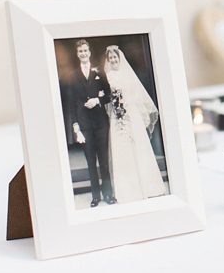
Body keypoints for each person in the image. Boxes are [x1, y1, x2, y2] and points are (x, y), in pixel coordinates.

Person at [103, 45, 166, 203]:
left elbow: (136, 94)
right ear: (108, 60)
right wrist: (115, 106)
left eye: (115, 57)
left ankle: (149, 187)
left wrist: (125, 103)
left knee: (138, 147)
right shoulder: (107, 77)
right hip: (116, 117)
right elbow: (105, 97)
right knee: (122, 150)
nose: (113, 60)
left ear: (119, 58)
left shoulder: (127, 74)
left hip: (131, 114)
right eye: (110, 58)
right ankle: (127, 191)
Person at [67, 40, 115, 207]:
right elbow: (72, 103)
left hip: (100, 122)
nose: (83, 53)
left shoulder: (98, 71)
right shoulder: (73, 75)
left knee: (103, 161)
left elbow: (109, 94)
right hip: (85, 124)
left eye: (85, 50)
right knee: (90, 162)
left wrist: (97, 100)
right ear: (77, 54)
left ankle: (108, 194)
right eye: (80, 51)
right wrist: (76, 127)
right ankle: (96, 196)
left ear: (89, 52)